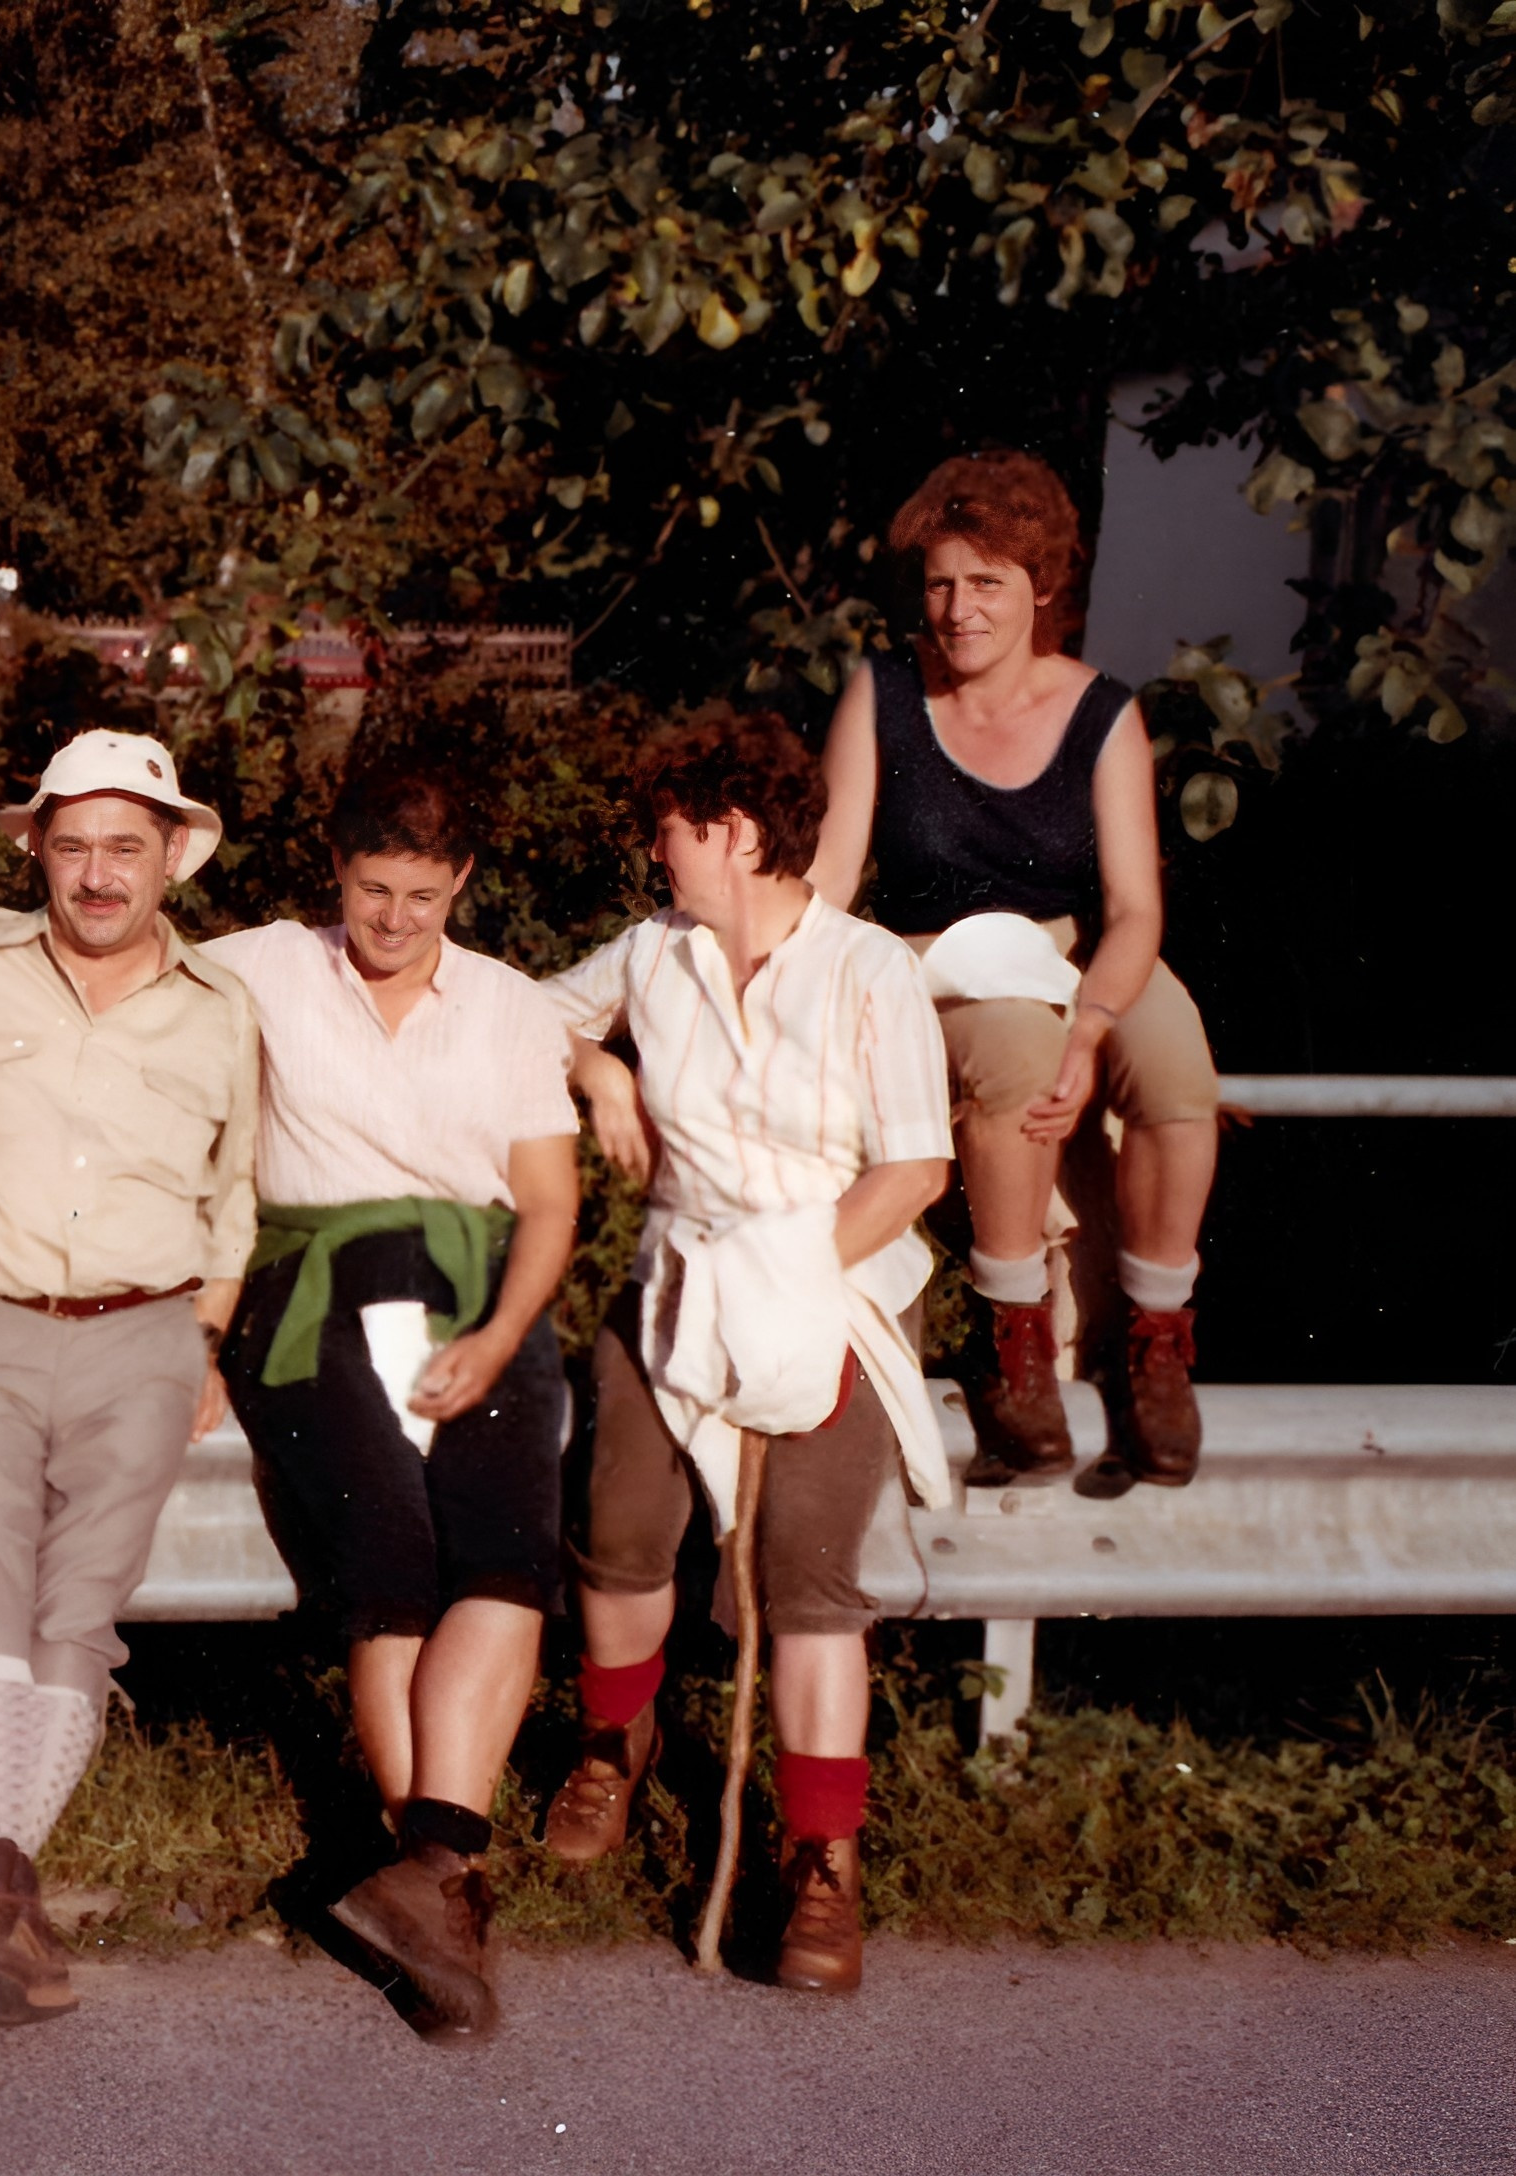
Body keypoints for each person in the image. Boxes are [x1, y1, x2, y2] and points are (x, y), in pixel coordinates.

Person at [544, 711, 953, 1996]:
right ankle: (617, 1740)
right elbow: (514, 1013)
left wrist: (788, 1275)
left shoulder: (869, 968)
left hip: (826, 1285)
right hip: (679, 1276)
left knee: (805, 1575)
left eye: (668, 829)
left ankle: (823, 1856)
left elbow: (916, 1165)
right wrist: (600, 1076)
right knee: (618, 1527)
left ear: (728, 832)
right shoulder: (651, 953)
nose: (654, 853)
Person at [198, 761, 580, 2044]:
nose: (396, 919)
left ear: (460, 883)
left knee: (511, 1556)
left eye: (424, 894)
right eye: (373, 890)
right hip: (317, 1290)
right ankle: (445, 1896)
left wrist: (504, 1335)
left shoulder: (513, 1007)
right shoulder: (259, 967)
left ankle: (429, 1877)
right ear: (336, 871)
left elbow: (549, 1200)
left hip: (484, 1293)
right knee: (392, 1559)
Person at [0, 728, 260, 2041]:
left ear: (173, 854)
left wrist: (208, 1334)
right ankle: (5, 1893)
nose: (98, 875)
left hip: (145, 1333)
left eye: (126, 846)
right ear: (35, 854)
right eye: (72, 847)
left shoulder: (223, 1012)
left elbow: (235, 1190)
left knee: (82, 1597)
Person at [810, 451, 1222, 1492]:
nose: (958, 609)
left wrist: (1095, 1028)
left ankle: (1160, 1345)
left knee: (1175, 1064)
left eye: (986, 583)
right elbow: (824, 879)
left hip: (1070, 949)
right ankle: (1017, 1347)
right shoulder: (884, 694)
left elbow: (1133, 912)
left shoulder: (1102, 713)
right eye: (942, 582)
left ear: (1042, 589)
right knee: (1018, 1053)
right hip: (927, 960)